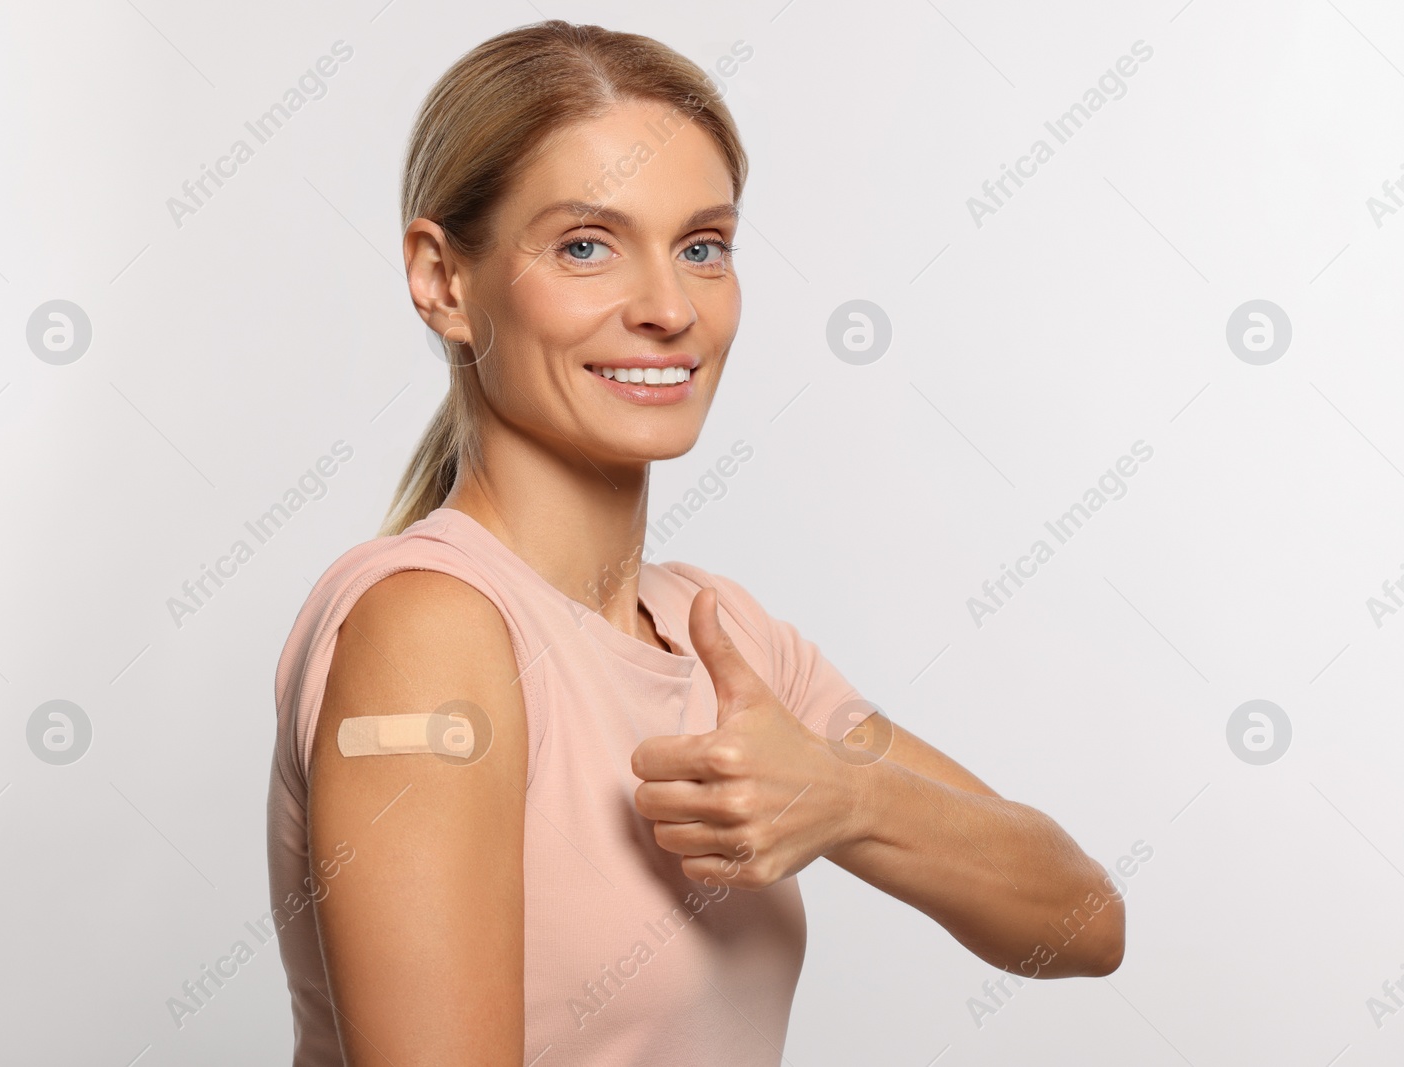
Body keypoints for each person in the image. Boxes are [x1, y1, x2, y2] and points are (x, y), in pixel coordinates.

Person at [266, 18, 1125, 1066]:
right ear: (443, 279)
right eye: (586, 245)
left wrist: (847, 796)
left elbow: (1082, 920)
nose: (669, 308)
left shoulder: (721, 638)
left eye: (702, 246)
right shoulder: (429, 628)